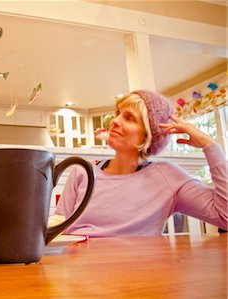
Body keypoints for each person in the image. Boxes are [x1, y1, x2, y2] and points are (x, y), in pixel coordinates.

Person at [53, 89, 227, 236]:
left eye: (129, 118)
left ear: (148, 134)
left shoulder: (168, 178)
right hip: (80, 271)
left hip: (138, 272)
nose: (114, 121)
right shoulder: (82, 171)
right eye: (117, 114)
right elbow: (57, 231)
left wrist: (210, 145)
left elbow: (224, 217)